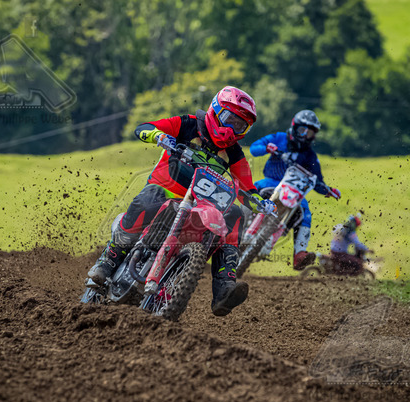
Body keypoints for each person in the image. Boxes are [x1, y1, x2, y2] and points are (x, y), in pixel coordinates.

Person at [88, 86, 276, 316]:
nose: (232, 128)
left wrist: (262, 202)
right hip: (165, 190)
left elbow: (247, 187)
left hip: (201, 205)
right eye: (230, 119)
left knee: (235, 214)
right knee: (147, 200)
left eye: (240, 125)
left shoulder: (234, 152)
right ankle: (109, 259)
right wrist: (158, 136)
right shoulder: (188, 124)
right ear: (216, 110)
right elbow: (144, 127)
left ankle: (224, 286)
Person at [249, 110, 340, 270]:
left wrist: (328, 190)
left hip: (293, 191)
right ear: (294, 126)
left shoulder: (310, 155)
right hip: (271, 182)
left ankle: (299, 254)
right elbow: (254, 148)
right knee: (252, 190)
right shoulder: (279, 138)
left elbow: (317, 180)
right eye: (302, 130)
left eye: (309, 133)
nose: (305, 135)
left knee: (306, 213)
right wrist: (267, 148)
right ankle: (234, 223)